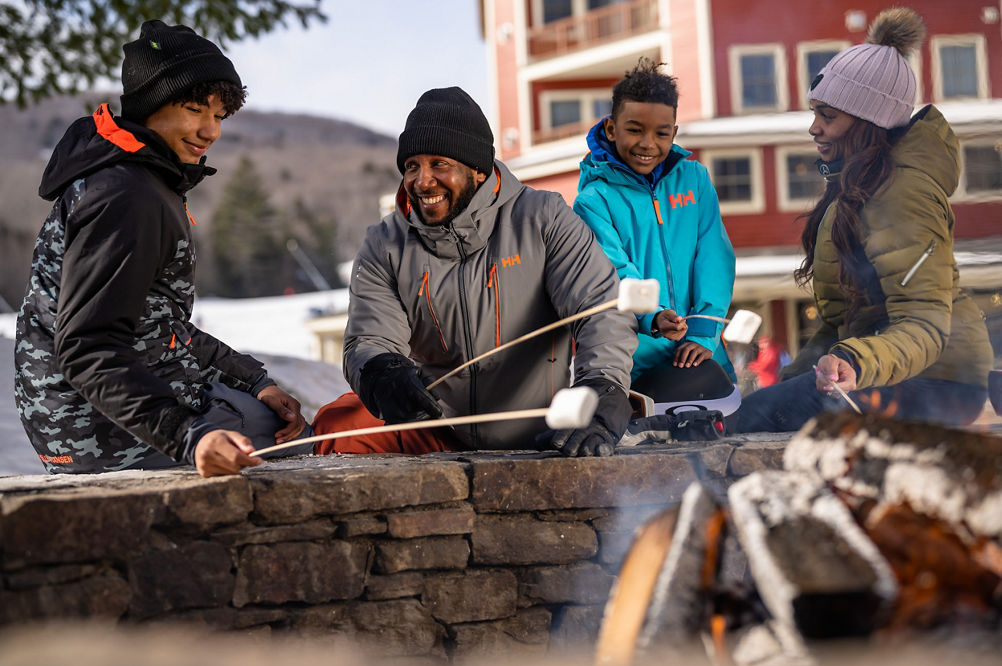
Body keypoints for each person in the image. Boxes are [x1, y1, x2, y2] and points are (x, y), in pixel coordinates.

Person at [14, 20, 308, 477]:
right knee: (299, 444)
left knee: (274, 413)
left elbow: (161, 326)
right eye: (194, 110)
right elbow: (87, 347)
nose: (210, 131)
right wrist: (191, 437)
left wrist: (255, 380)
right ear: (151, 106)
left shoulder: (143, 181)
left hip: (117, 403)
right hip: (95, 427)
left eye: (219, 116)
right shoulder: (125, 194)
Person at [312, 87, 637, 457]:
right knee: (335, 427)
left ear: (478, 171)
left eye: (439, 164)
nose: (422, 180)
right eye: (411, 166)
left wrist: (602, 389)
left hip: (542, 429)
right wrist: (382, 372)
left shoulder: (543, 218)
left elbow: (601, 309)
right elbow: (370, 338)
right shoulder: (384, 244)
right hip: (434, 425)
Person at [734, 8, 993, 432]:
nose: (813, 128)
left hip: (941, 381)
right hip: (887, 370)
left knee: (760, 419)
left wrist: (854, 359)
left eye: (828, 116)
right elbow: (840, 326)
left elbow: (923, 324)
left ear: (869, 122)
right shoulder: (854, 189)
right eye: (815, 112)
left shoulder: (903, 193)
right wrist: (791, 381)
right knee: (760, 409)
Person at [573, 57, 739, 414]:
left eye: (661, 133)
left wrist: (703, 331)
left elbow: (713, 255)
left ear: (674, 133)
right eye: (635, 130)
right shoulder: (594, 200)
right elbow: (613, 269)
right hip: (636, 363)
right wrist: (654, 315)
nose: (648, 143)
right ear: (611, 128)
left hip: (702, 353)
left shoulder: (694, 179)